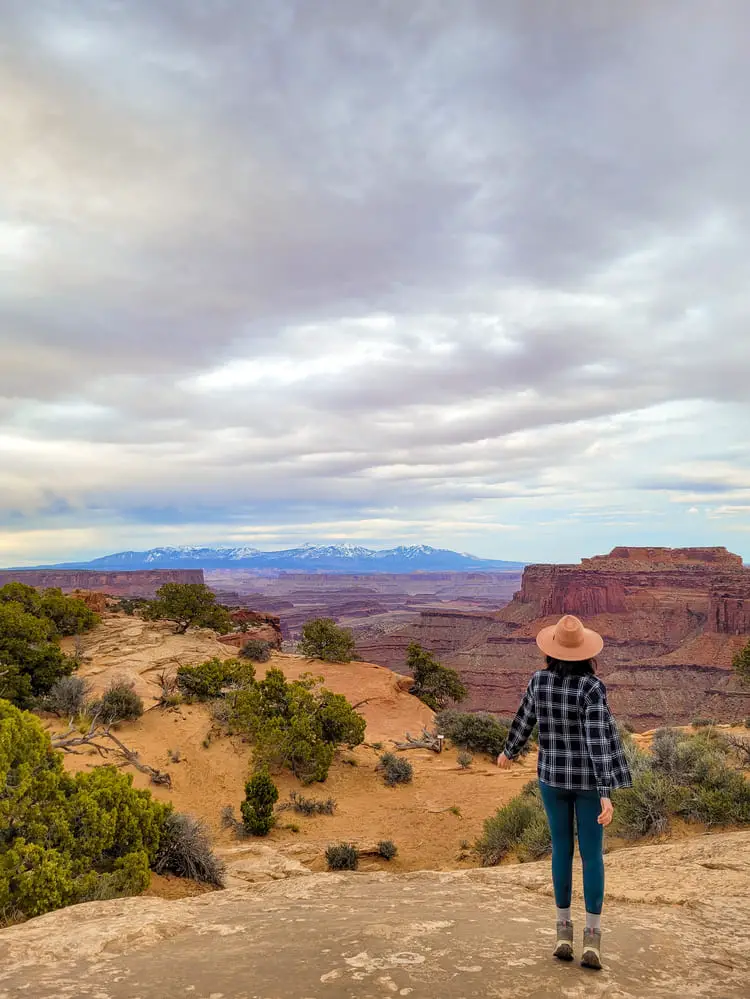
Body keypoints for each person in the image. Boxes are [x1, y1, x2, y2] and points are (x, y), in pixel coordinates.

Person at [497, 614, 632, 971]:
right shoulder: (591, 687)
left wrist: (508, 751)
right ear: (586, 653)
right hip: (588, 783)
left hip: (552, 779)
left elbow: (524, 719)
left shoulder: (539, 681)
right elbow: (598, 740)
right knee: (592, 855)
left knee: (560, 849)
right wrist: (606, 791)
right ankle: (593, 937)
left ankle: (562, 933)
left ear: (551, 651)